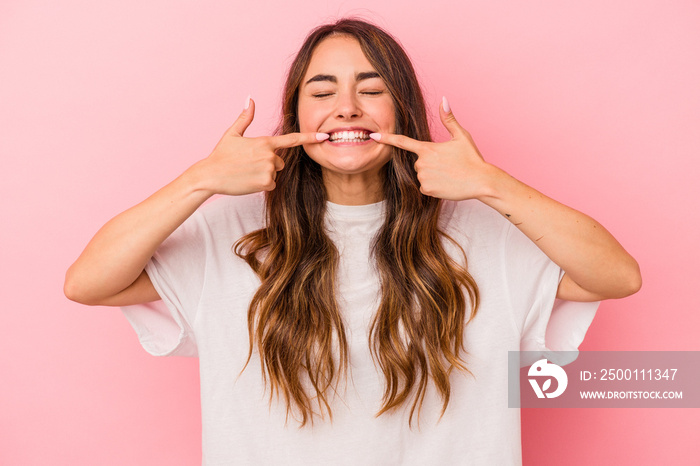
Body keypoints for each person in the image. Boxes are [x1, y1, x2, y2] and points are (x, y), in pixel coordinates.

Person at [64, 18, 641, 465]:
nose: (347, 107)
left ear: (403, 111)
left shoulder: (486, 230)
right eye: (322, 91)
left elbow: (618, 276)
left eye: (372, 88)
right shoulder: (229, 234)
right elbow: (88, 283)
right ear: (294, 113)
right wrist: (201, 179)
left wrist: (492, 183)